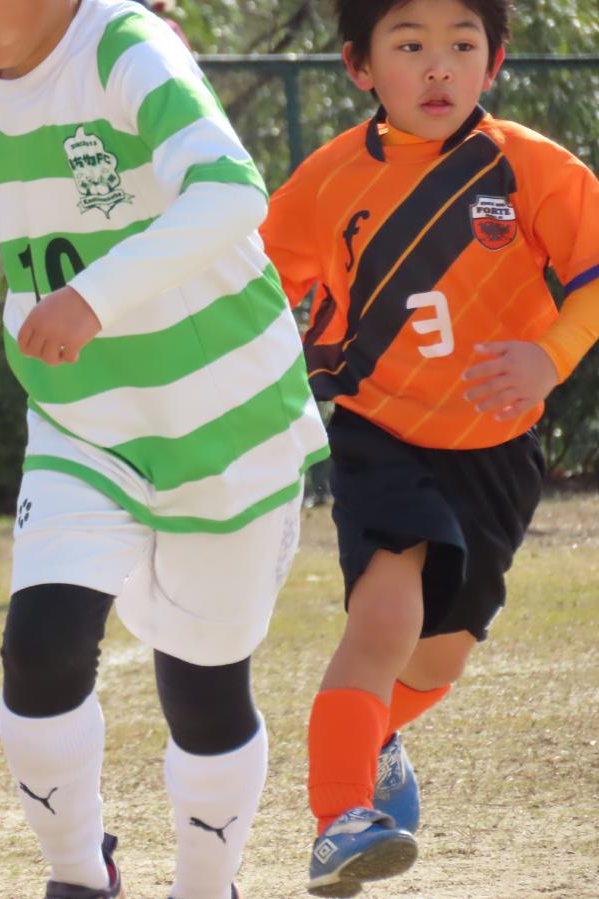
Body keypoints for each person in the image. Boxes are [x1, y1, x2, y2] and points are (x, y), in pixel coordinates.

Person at [0, 2, 328, 897]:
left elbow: (232, 192)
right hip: (84, 419)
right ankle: (78, 876)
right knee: (40, 648)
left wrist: (92, 298)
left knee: (204, 691)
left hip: (226, 424)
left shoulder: (125, 46)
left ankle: (206, 887)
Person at [259, 1, 599, 894]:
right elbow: (253, 288)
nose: (438, 66)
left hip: (496, 454)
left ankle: (374, 735)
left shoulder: (529, 167)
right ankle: (339, 818)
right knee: (384, 621)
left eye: (462, 45)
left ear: (495, 62)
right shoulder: (327, 180)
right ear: (360, 66)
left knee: (439, 658)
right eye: (410, 46)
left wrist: (551, 355)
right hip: (380, 434)